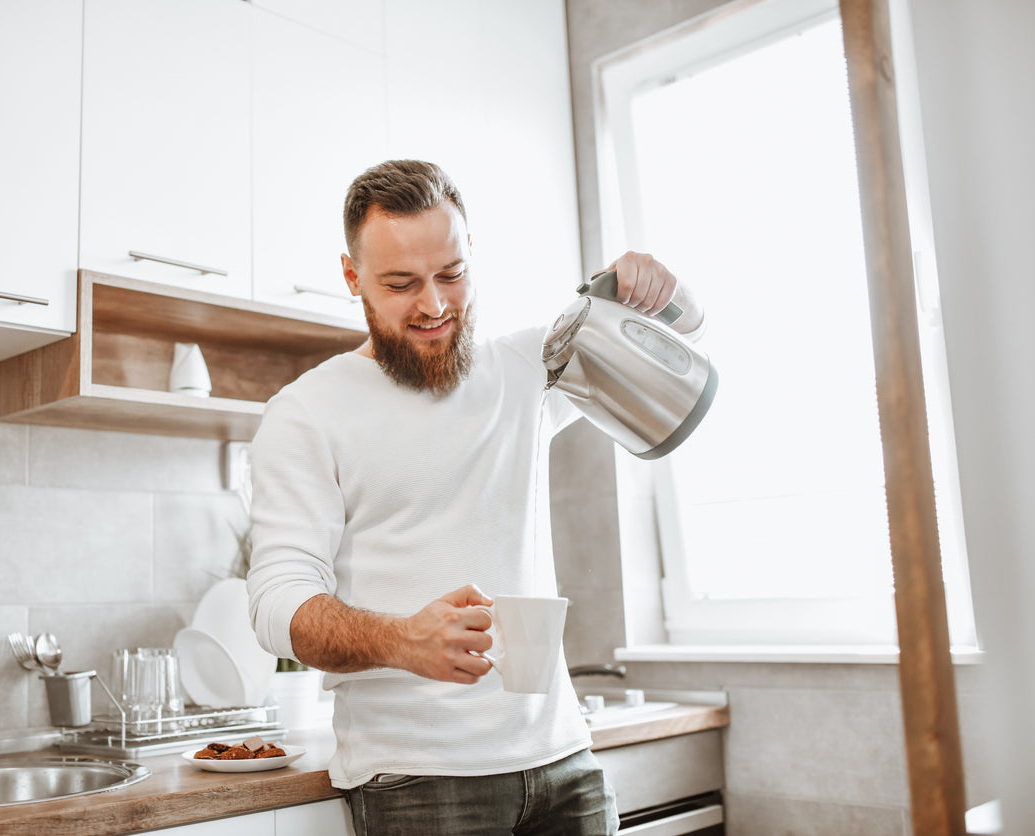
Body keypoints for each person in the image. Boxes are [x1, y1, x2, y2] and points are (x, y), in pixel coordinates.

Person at [247, 160, 704, 835]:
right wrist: (402, 640)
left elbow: (681, 341)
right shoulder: (306, 413)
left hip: (565, 760)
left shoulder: (525, 370)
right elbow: (275, 606)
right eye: (400, 284)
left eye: (451, 275)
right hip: (418, 780)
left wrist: (660, 286)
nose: (433, 306)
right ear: (352, 278)